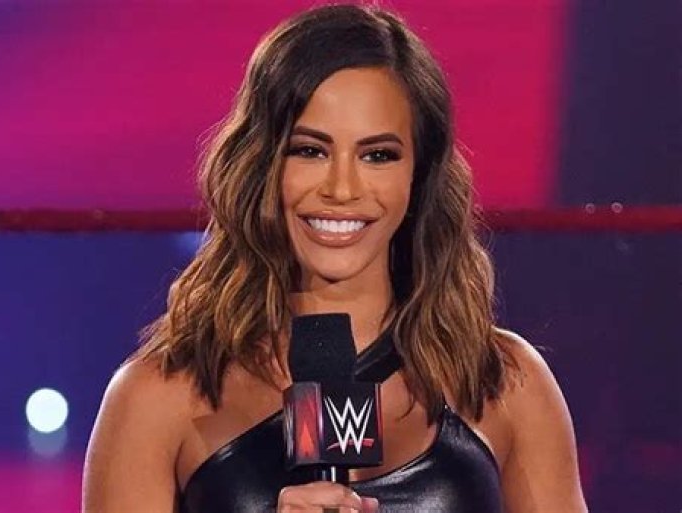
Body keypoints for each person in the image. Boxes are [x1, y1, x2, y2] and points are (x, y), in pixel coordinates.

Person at [82, 4, 587, 512]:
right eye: (310, 150)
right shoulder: (158, 398)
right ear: (262, 163)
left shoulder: (506, 384)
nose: (342, 189)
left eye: (378, 155)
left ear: (419, 176)